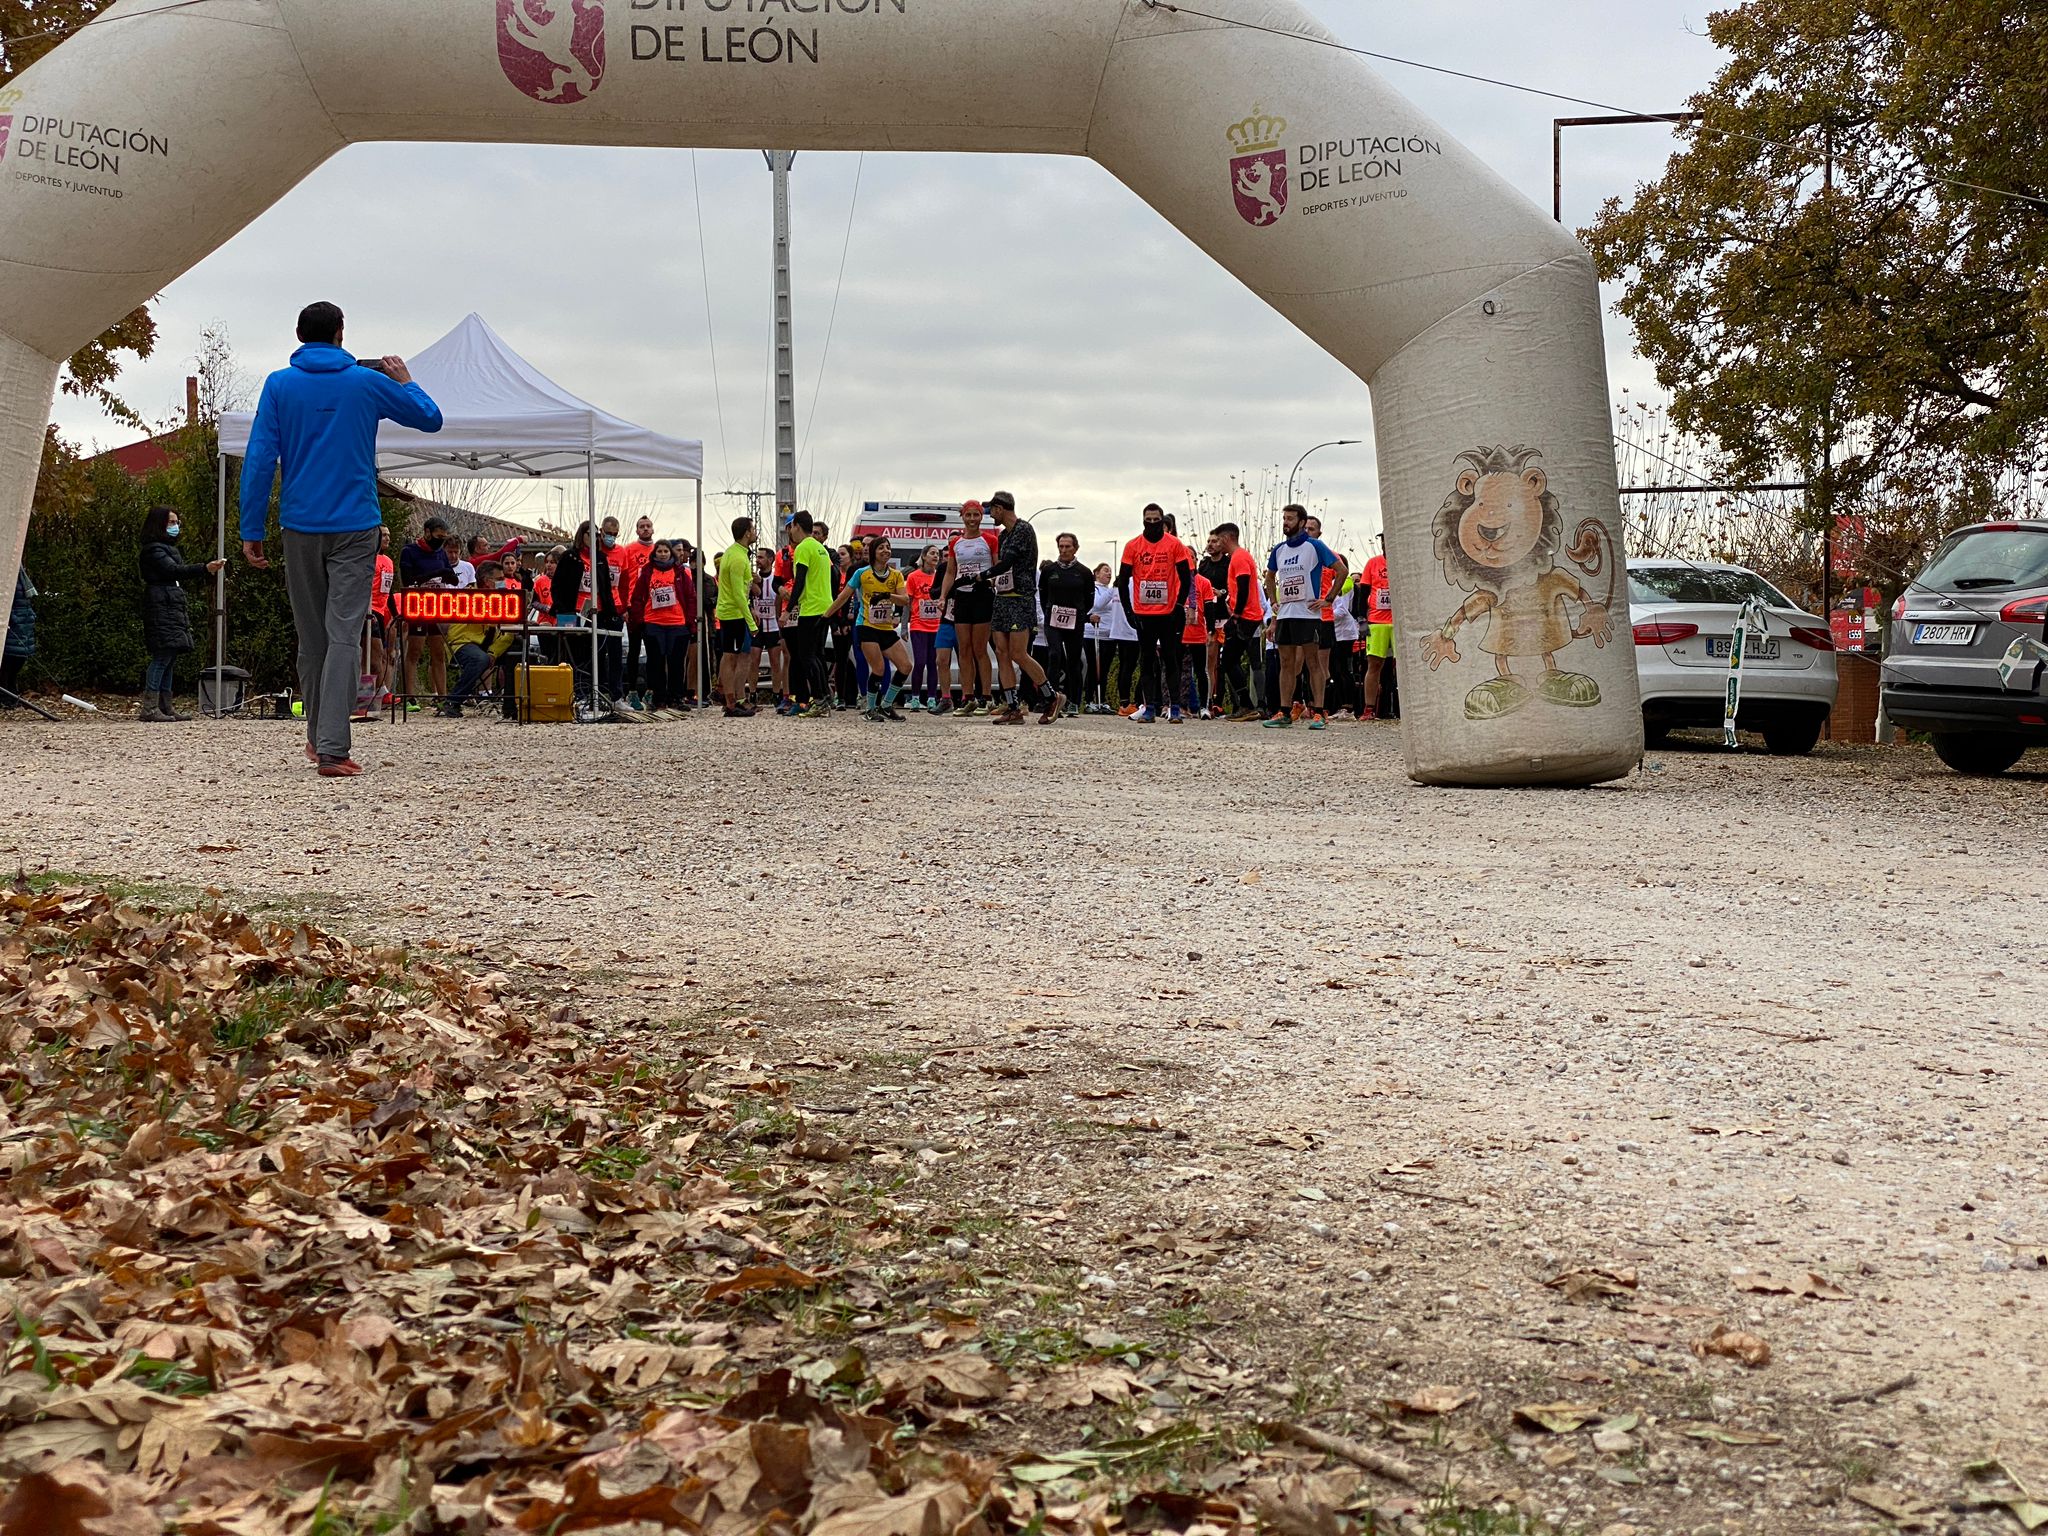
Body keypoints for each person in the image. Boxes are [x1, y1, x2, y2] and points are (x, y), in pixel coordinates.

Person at [240, 303, 443, 773]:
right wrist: (405, 381)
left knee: (312, 639)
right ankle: (332, 747)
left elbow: (260, 456)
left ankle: (318, 738)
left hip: (299, 524)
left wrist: (252, 528)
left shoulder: (278, 385)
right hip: (355, 524)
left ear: (298, 335)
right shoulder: (365, 382)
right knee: (345, 635)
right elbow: (430, 418)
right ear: (340, 332)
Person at [138, 505, 227, 722]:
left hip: (169, 603)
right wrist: (204, 568)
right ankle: (150, 707)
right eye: (171, 522)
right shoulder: (154, 550)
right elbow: (172, 570)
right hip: (162, 604)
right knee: (162, 655)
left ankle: (165, 706)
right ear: (159, 524)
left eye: (177, 522)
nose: (176, 526)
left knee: (170, 655)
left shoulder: (164, 549)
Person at [984, 492, 1063, 724]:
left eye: (992, 510)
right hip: (1003, 597)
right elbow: (1002, 566)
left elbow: (1007, 562)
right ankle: (1012, 707)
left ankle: (1052, 696)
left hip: (1020, 598)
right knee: (1001, 652)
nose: (991, 515)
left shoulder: (1023, 529)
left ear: (1000, 508)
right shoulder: (1003, 535)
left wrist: (981, 576)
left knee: (1018, 653)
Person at [1263, 503, 1344, 729]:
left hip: (1308, 615)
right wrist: (1273, 602)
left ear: (1300, 522)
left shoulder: (1314, 546)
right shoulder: (1279, 549)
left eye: (1290, 519)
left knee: (1313, 662)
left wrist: (1328, 599)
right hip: (1286, 614)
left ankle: (1319, 712)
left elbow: (1341, 571)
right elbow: (1269, 577)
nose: (1285, 523)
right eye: (1284, 519)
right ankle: (1284, 711)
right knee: (1286, 663)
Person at [1116, 503, 1194, 724]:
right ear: (1143, 520)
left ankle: (1175, 708)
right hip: (1144, 613)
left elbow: (1186, 577)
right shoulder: (1133, 546)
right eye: (1148, 520)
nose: (1152, 524)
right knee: (1147, 660)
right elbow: (1123, 580)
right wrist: (1128, 610)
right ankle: (1149, 707)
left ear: (1162, 520)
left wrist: (1179, 605)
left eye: (1156, 520)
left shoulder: (1175, 545)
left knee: (1171, 659)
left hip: (1168, 613)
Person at [831, 537, 915, 721]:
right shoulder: (862, 573)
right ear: (873, 552)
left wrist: (886, 595)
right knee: (878, 668)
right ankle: (870, 709)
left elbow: (905, 600)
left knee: (906, 666)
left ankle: (886, 705)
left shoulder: (896, 575)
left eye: (888, 547)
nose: (886, 551)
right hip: (866, 626)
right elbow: (843, 596)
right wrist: (826, 616)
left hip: (886, 628)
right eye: (881, 548)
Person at [935, 500, 998, 715]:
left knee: (980, 648)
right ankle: (968, 697)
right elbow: (950, 572)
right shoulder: (956, 543)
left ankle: (986, 697)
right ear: (962, 517)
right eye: (968, 515)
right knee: (964, 649)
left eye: (976, 515)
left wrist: (991, 582)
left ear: (981, 517)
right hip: (962, 596)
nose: (972, 519)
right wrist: (943, 596)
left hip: (982, 595)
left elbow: (997, 567)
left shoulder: (990, 539)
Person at [552, 523, 622, 711]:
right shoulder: (570, 557)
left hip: (598, 612)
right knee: (578, 656)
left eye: (598, 534)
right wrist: (562, 609)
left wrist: (612, 612)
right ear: (582, 535)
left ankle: (606, 695)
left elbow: (606, 588)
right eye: (591, 534)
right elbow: (557, 585)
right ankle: (580, 694)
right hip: (574, 612)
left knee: (600, 654)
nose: (595, 537)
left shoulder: (600, 558)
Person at [628, 538, 695, 714]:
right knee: (655, 663)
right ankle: (659, 699)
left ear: (670, 553)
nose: (663, 554)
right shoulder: (647, 572)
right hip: (653, 623)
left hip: (677, 623)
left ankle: (676, 698)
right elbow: (637, 597)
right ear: (654, 553)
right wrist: (639, 619)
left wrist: (690, 621)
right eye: (660, 551)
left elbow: (690, 597)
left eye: (666, 551)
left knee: (676, 663)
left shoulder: (680, 572)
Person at [442, 561, 516, 718]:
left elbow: (509, 632)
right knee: (479, 659)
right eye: (499, 579)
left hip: (489, 645)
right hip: (462, 643)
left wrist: (493, 652)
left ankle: (512, 704)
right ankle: (453, 701)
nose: (503, 583)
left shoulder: (501, 598)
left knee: (519, 648)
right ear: (487, 581)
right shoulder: (467, 596)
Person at [1211, 522, 1266, 721]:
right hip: (1246, 616)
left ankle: (1247, 705)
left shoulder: (1240, 557)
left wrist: (1236, 615)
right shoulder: (1238, 557)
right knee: (1230, 660)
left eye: (1218, 540)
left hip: (1245, 617)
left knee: (1229, 660)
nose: (1217, 544)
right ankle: (1247, 704)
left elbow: (1243, 587)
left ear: (1227, 538)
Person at [785, 511, 835, 719]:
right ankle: (825, 697)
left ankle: (819, 699)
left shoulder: (803, 547)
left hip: (811, 607)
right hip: (825, 606)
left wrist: (788, 609)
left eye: (791, 527)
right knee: (816, 654)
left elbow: (800, 581)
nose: (790, 532)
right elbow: (834, 574)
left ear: (797, 525)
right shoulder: (819, 547)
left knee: (806, 656)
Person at [1040, 532, 1093, 716]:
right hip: (1053, 620)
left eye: (1067, 547)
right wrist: (1049, 611)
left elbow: (1089, 599)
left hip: (1075, 621)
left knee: (1073, 661)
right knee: (1054, 656)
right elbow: (1043, 594)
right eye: (1061, 546)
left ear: (1075, 548)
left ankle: (1074, 701)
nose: (1063, 550)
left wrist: (1079, 613)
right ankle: (1052, 700)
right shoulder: (1049, 570)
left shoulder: (1084, 572)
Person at [714, 517, 759, 719]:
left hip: (733, 612)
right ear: (747, 533)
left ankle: (734, 699)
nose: (755, 532)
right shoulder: (738, 558)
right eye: (753, 529)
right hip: (733, 614)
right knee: (731, 657)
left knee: (733, 655)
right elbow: (739, 594)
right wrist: (751, 622)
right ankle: (731, 703)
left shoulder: (735, 553)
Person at [617, 513, 658, 707]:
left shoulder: (659, 550)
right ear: (637, 530)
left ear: (653, 529)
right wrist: (624, 606)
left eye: (648, 526)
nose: (645, 529)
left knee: (653, 651)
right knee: (634, 650)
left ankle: (651, 690)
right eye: (642, 526)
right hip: (634, 605)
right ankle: (632, 692)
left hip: (653, 606)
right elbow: (623, 580)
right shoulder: (629, 550)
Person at [905, 545, 943, 711]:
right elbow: (907, 602)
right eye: (932, 553)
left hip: (936, 625)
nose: (935, 556)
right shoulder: (913, 577)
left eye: (937, 554)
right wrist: (904, 627)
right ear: (924, 556)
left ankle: (932, 698)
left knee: (933, 663)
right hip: (918, 625)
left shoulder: (940, 576)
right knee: (919, 662)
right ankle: (915, 698)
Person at [1360, 534, 1394, 721]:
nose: (1385, 544)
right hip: (1377, 621)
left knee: (1402, 666)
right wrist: (1361, 620)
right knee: (1374, 665)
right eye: (1383, 541)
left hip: (1398, 623)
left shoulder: (1402, 562)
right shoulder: (1373, 563)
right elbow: (1363, 592)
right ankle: (1369, 709)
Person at [752, 547, 787, 711]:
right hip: (757, 626)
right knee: (754, 660)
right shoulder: (753, 578)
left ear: (770, 560)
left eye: (761, 557)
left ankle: (776, 694)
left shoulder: (776, 580)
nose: (758, 560)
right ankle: (752, 694)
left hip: (773, 626)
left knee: (775, 662)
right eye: (757, 557)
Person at [1, 565, 35, 705]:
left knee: (17, 661)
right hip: (14, 624)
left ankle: (12, 695)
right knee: (7, 662)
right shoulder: (7, 573)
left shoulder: (19, 574)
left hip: (23, 623)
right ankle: (6, 697)